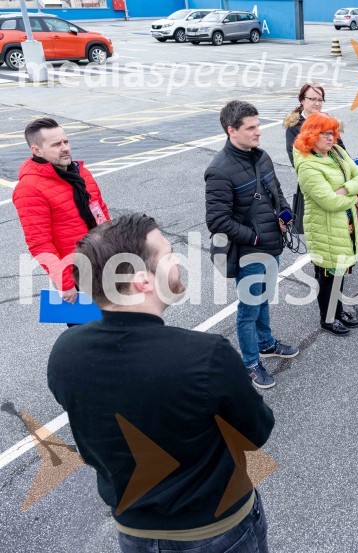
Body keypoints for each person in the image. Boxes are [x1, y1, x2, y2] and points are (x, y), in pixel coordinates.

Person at [48, 214, 274, 553]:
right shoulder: (206, 356)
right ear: (143, 281)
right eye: (168, 256)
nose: (178, 262)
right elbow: (256, 431)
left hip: (133, 531)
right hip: (216, 529)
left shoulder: (64, 352)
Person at [206, 100, 298, 390]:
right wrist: (255, 238)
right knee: (248, 310)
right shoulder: (219, 170)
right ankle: (250, 364)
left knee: (263, 299)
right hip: (250, 253)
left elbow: (277, 192)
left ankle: (266, 343)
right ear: (231, 130)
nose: (258, 132)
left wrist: (286, 215)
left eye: (258, 125)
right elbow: (217, 221)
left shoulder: (261, 156)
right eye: (251, 128)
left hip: (272, 246)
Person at [13, 118, 110, 304]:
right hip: (77, 273)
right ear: (36, 150)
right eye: (56, 144)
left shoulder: (81, 173)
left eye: (66, 141)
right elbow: (40, 243)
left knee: (123, 318)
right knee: (90, 323)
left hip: (105, 262)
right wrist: (65, 283)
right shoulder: (29, 188)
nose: (65, 148)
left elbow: (101, 213)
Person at [293, 112, 358, 336]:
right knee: (328, 275)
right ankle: (328, 318)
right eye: (324, 133)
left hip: (343, 224)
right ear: (311, 135)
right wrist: (354, 196)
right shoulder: (308, 166)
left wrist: (346, 189)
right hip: (324, 228)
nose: (330, 137)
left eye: (332, 133)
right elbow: (330, 202)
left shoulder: (336, 151)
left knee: (339, 272)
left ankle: (338, 311)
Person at [284, 83, 346, 233]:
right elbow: (297, 160)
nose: (317, 103)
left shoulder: (329, 122)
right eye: (312, 99)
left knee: (338, 229)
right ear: (302, 100)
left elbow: (342, 152)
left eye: (320, 99)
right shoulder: (294, 127)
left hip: (336, 182)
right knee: (317, 231)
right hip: (314, 183)